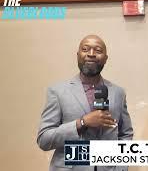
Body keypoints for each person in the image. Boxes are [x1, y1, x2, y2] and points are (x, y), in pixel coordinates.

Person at [37, 35, 133, 171]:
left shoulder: (118, 92)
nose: (91, 54)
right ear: (78, 55)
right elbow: (44, 140)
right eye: (85, 49)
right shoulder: (58, 92)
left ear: (105, 58)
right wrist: (82, 123)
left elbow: (125, 134)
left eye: (98, 50)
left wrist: (121, 167)